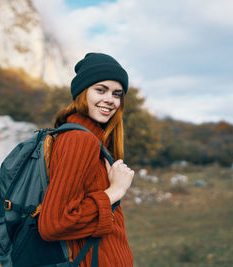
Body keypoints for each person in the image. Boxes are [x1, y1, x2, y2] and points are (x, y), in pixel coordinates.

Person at [38, 52, 134, 266]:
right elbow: (54, 223)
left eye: (117, 94)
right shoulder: (80, 140)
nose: (110, 100)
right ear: (82, 93)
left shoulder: (92, 140)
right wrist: (114, 192)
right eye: (100, 90)